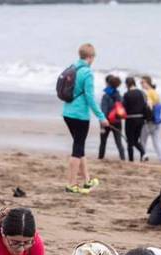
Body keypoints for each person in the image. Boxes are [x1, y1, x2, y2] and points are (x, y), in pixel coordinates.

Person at [62, 43, 109, 194]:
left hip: (67, 113)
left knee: (79, 146)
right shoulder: (87, 73)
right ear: (90, 57)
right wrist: (101, 117)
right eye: (93, 57)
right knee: (77, 149)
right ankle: (71, 184)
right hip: (80, 116)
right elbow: (90, 98)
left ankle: (87, 180)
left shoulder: (72, 67)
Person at [99, 75, 126, 160]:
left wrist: (102, 125)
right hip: (117, 121)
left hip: (107, 122)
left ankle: (101, 158)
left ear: (108, 84)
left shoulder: (106, 96)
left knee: (103, 142)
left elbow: (103, 111)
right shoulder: (119, 96)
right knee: (119, 142)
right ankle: (123, 159)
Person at [122, 77, 147, 162]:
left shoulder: (127, 94)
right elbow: (145, 105)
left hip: (130, 119)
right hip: (140, 119)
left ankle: (131, 160)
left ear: (127, 84)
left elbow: (123, 107)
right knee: (136, 140)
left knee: (130, 142)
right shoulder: (142, 93)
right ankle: (143, 154)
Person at [140, 75, 161, 163]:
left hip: (150, 121)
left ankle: (144, 157)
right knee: (157, 141)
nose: (141, 84)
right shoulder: (155, 92)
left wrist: (147, 118)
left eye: (142, 82)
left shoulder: (148, 93)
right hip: (157, 120)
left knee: (143, 140)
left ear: (147, 82)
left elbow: (149, 106)